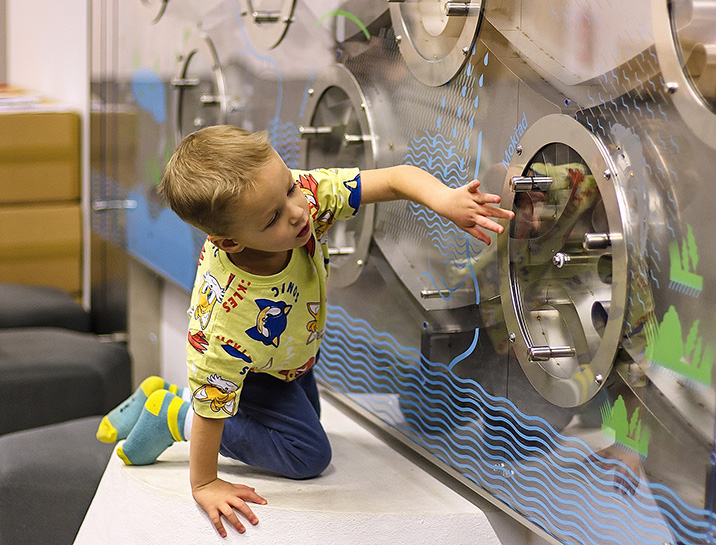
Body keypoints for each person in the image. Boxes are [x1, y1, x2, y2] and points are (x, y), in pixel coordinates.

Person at [96, 124, 514, 538]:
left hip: (292, 357)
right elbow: (214, 399)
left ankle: (159, 397)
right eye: (273, 217)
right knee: (306, 455)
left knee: (302, 423)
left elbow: (392, 177)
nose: (298, 211)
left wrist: (446, 200)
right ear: (230, 244)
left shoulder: (300, 199)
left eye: (289, 187)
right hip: (256, 373)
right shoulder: (227, 318)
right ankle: (172, 415)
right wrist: (204, 482)